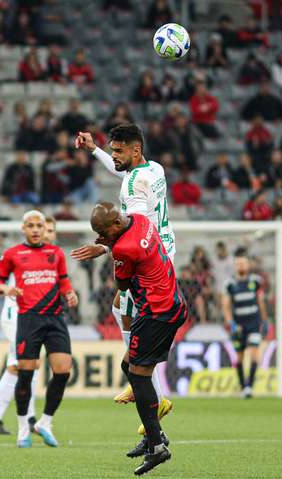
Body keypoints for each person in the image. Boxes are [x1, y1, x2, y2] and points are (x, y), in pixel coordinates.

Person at [72, 124, 176, 437]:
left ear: (135, 149)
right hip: (166, 247)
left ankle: (144, 385)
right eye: (112, 150)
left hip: (148, 258)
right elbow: (125, 175)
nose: (114, 155)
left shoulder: (133, 190)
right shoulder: (152, 169)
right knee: (121, 309)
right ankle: (142, 382)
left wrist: (103, 246)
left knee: (128, 312)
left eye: (118, 150)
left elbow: (136, 227)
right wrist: (94, 150)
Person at [88, 203, 187, 475]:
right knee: (129, 367)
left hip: (155, 312)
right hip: (175, 304)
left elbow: (122, 286)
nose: (101, 237)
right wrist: (108, 242)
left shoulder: (122, 249)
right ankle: (153, 432)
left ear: (116, 226)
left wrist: (109, 250)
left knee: (139, 375)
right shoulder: (141, 220)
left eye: (102, 232)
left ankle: (157, 445)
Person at [0, 211, 78, 448]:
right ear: (23, 229)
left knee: (63, 371)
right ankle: (22, 429)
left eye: (40, 225)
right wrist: (5, 290)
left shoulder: (56, 253)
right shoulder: (13, 254)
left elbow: (63, 280)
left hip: (55, 318)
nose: (36, 229)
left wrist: (69, 292)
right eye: (31, 225)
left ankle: (45, 422)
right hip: (29, 319)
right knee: (26, 374)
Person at [221, 248, 268, 398]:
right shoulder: (230, 283)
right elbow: (226, 305)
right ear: (235, 266)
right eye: (238, 264)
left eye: (243, 263)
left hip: (253, 323)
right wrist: (231, 323)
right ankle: (243, 387)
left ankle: (250, 387)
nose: (241, 266)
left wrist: (264, 320)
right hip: (239, 325)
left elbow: (260, 302)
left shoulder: (255, 281)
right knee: (240, 356)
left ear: (248, 265)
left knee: (254, 353)